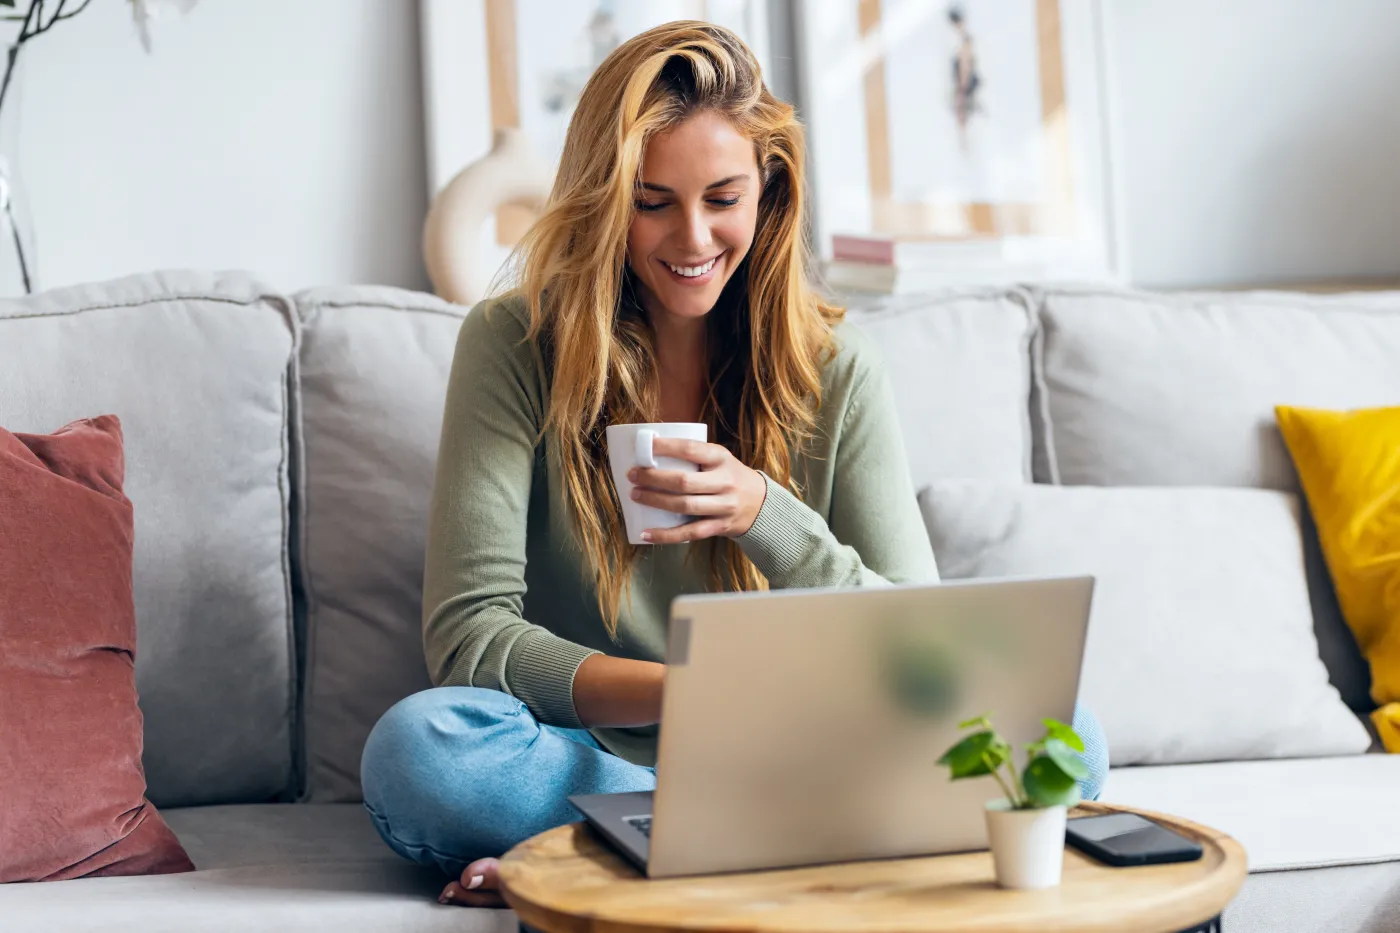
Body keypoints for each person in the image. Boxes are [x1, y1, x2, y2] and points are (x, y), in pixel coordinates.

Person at [360, 21, 1109, 909]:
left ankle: (603, 850)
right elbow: (471, 638)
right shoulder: (515, 343)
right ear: (605, 199)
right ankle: (736, 839)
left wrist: (767, 513)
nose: (692, 236)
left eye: (723, 197)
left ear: (769, 191)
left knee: (1068, 736)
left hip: (804, 746)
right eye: (652, 201)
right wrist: (692, 695)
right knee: (421, 751)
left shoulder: (837, 365)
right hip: (596, 752)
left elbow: (922, 637)